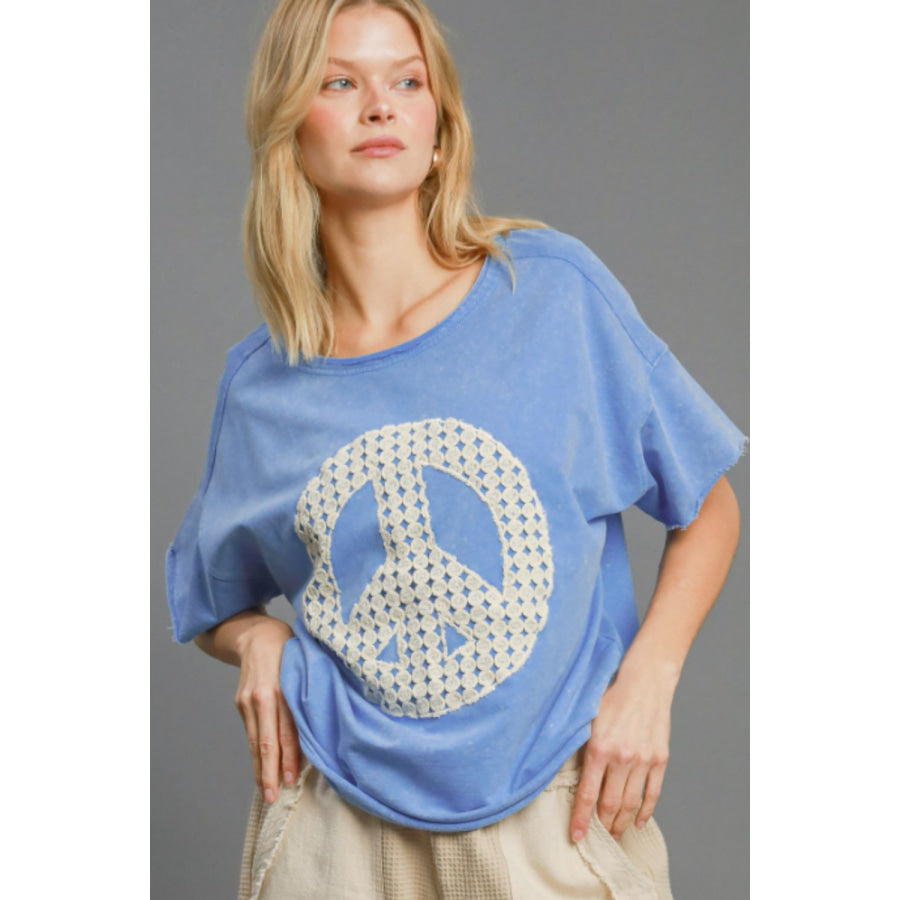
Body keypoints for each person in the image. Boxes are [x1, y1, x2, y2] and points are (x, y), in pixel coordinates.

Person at [163, 0, 748, 897]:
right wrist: (256, 639)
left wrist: (649, 680)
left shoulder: (549, 295)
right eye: (339, 82)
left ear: (439, 130)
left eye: (407, 81)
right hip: (335, 833)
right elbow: (208, 596)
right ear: (289, 128)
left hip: (556, 817)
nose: (380, 105)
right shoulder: (261, 387)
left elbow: (707, 503)